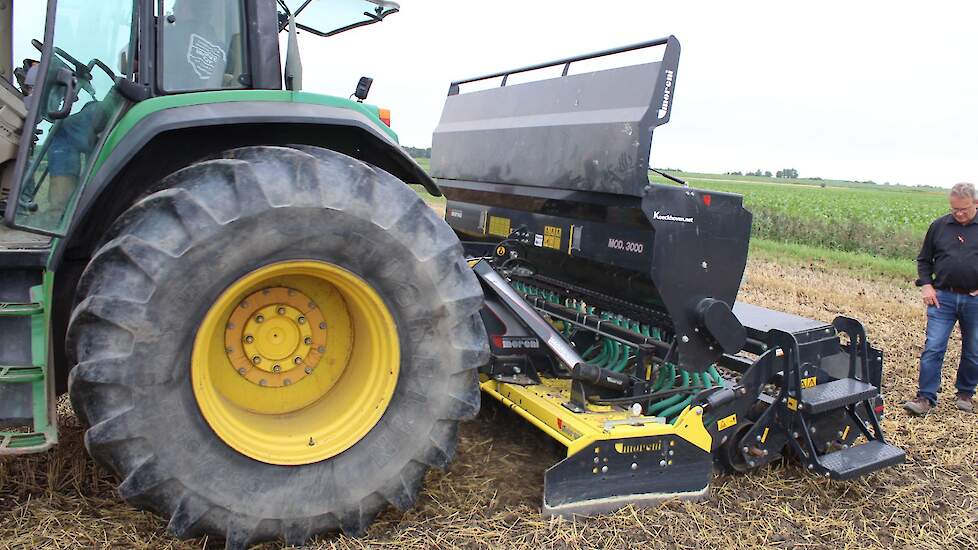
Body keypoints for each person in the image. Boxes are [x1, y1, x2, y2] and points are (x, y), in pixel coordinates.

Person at [903, 182, 978, 415]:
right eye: (954, 209)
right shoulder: (939, 226)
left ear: (976, 203)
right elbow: (924, 260)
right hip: (942, 298)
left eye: (964, 209)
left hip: (974, 301)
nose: (958, 213)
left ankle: (965, 393)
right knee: (933, 347)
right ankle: (925, 397)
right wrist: (926, 285)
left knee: (974, 349)